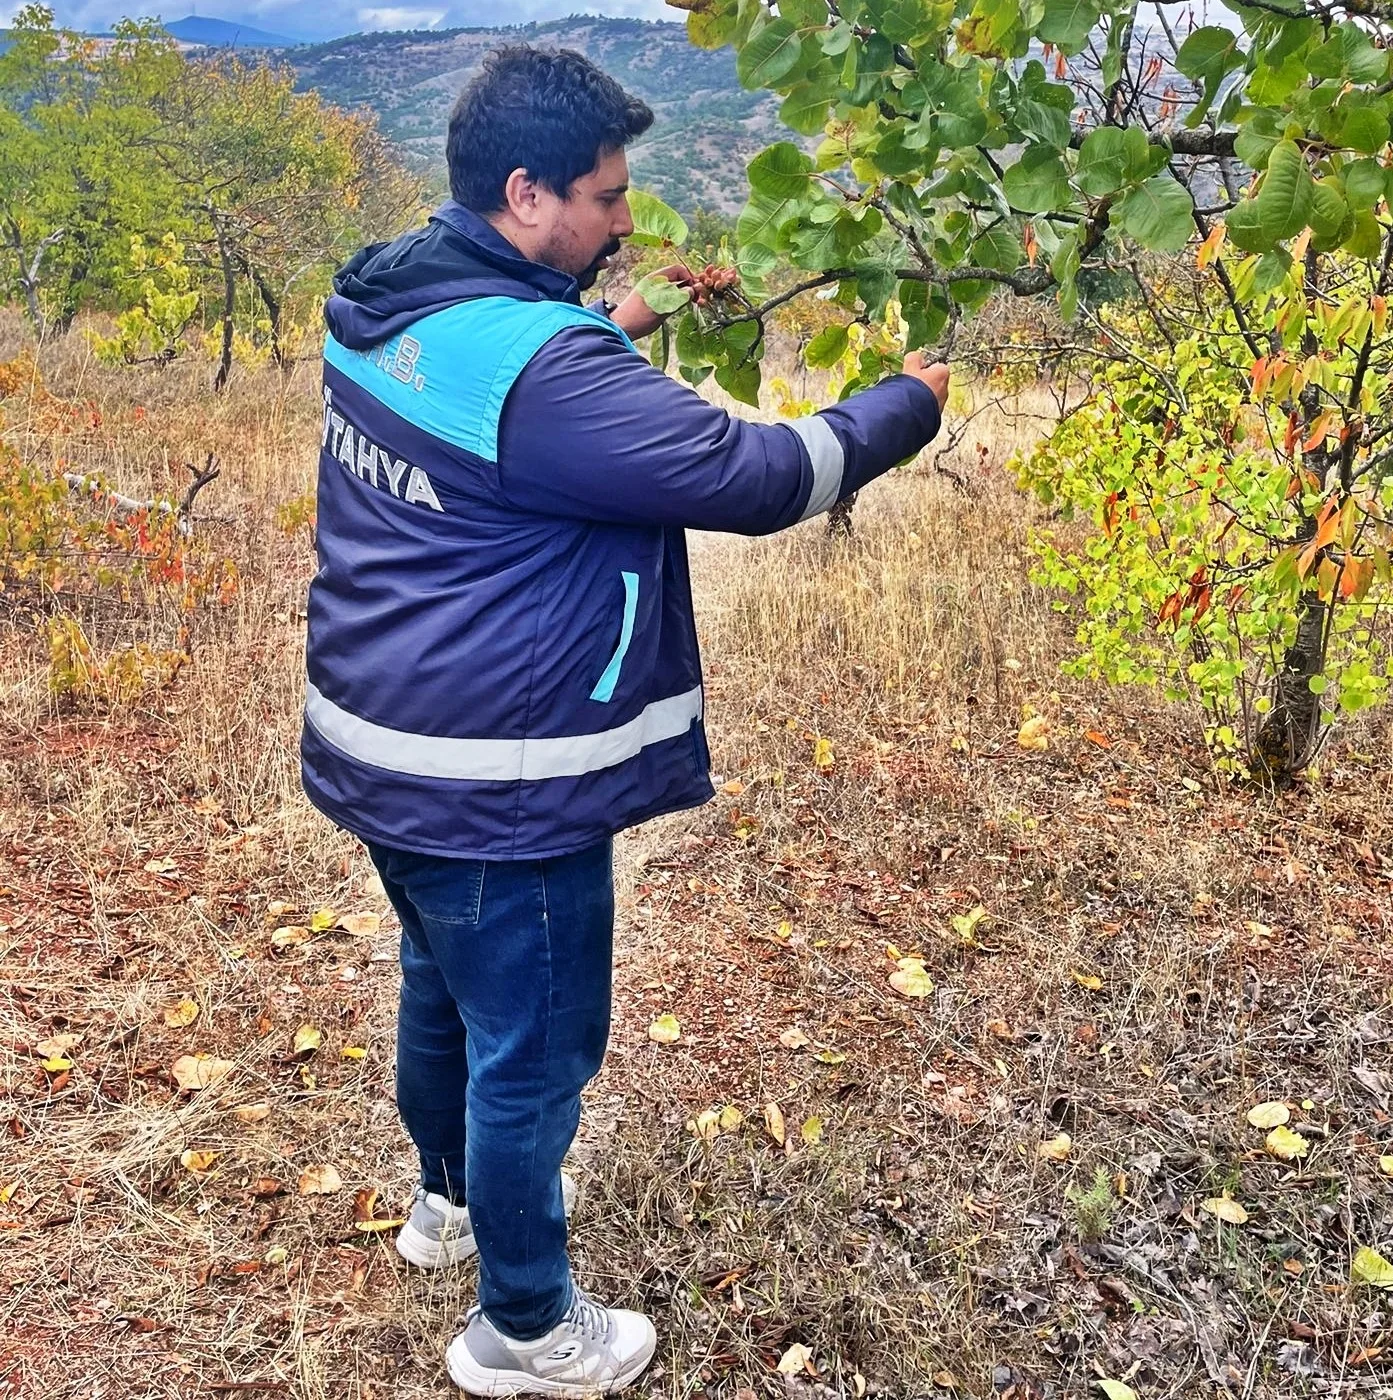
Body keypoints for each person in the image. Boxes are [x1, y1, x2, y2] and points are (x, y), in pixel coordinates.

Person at [301, 41, 949, 1399]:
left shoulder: (388, 303)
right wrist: (907, 405)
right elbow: (766, 475)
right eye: (604, 198)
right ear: (526, 195)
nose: (623, 219)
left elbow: (515, 392)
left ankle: (450, 1205)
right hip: (502, 781)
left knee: (447, 995)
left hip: (384, 749)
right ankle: (525, 1330)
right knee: (533, 1052)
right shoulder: (548, 377)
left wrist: (624, 312)